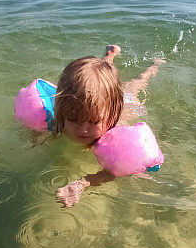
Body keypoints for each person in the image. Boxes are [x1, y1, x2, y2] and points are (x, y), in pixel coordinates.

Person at [52, 45, 164, 208]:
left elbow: (112, 172)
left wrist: (83, 183)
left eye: (94, 121)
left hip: (127, 104)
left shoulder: (114, 134)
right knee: (103, 74)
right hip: (102, 104)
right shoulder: (59, 121)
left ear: (112, 117)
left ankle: (153, 67)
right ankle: (110, 55)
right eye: (74, 119)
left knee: (135, 86)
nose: (83, 129)